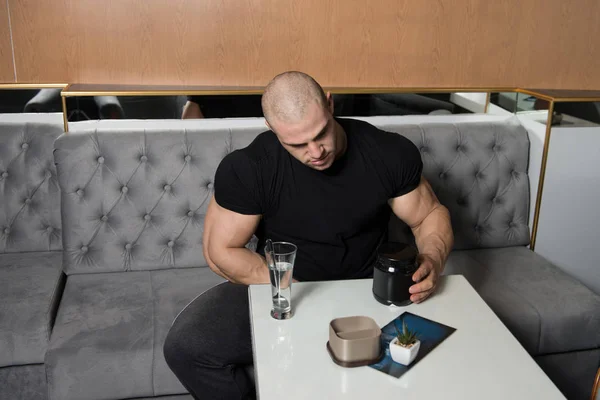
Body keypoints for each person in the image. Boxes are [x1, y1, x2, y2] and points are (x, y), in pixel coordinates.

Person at [164, 71, 453, 400]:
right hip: (286, 292)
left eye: (321, 134)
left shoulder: (387, 152)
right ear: (272, 129)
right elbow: (220, 250)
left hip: (364, 291)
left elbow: (430, 215)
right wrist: (289, 290)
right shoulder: (251, 167)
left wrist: (433, 257)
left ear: (330, 104)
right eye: (296, 144)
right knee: (185, 347)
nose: (315, 152)